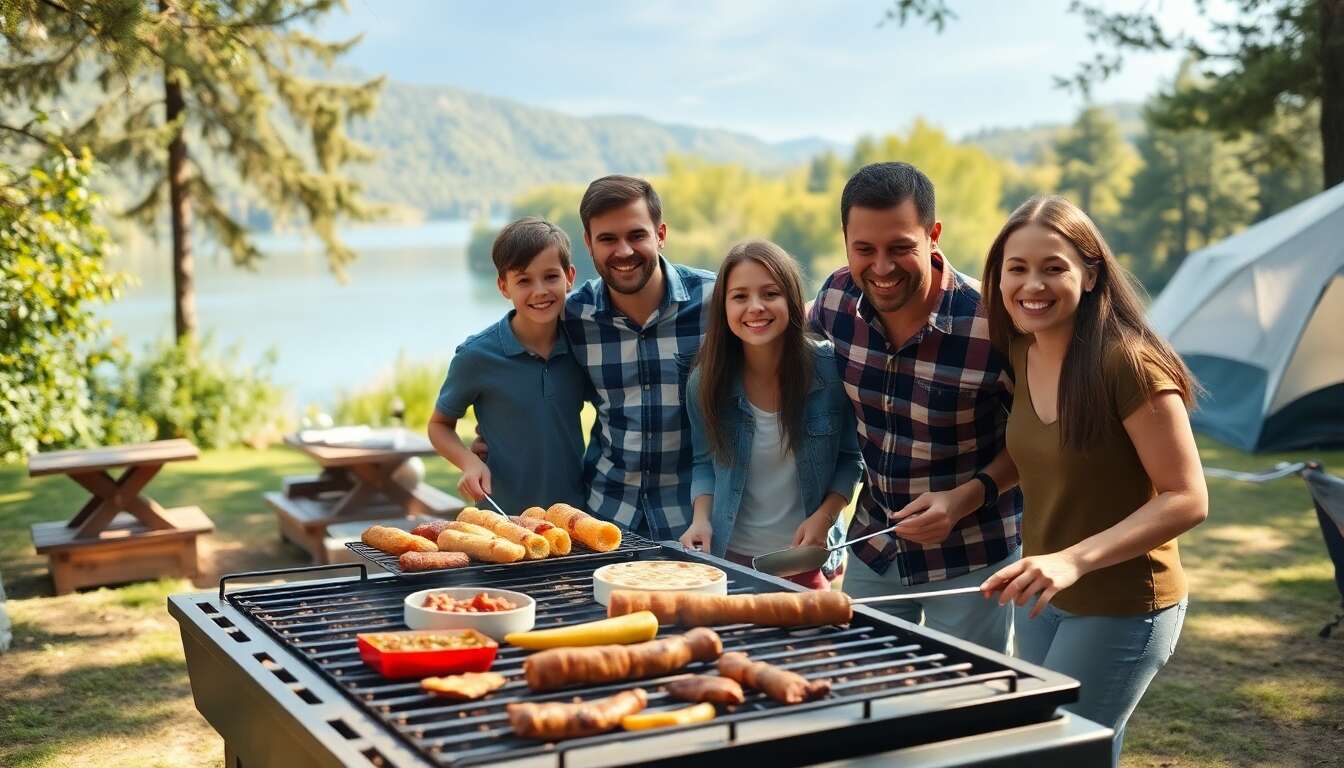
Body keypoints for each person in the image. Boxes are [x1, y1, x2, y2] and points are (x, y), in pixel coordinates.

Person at [977, 195, 1207, 766]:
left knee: (1052, 751)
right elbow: (1046, 457)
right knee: (1081, 749)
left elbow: (1187, 496)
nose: (1033, 284)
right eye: (1017, 268)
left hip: (1123, 603)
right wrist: (969, 494)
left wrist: (1073, 559)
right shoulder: (1021, 350)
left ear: (1090, 273)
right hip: (1043, 599)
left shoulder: (1128, 361)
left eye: (1054, 267)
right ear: (998, 276)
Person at [809, 162, 1021, 652]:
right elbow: (785, 342)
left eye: (900, 248)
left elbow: (1037, 442)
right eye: (864, 249)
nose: (881, 268)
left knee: (967, 703)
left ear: (933, 235)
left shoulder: (994, 323)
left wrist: (963, 498)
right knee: (860, 685)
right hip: (874, 545)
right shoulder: (837, 297)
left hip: (975, 555)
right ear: (845, 239)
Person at [678, 240, 862, 588]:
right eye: (740, 297)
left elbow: (851, 460)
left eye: (770, 293)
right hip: (729, 561)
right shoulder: (706, 380)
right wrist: (700, 520)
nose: (756, 307)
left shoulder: (828, 369)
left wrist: (825, 518)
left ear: (791, 299)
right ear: (724, 307)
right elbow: (704, 461)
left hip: (804, 558)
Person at [563, 175, 716, 540]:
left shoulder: (718, 301)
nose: (624, 251)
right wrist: (493, 431)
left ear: (660, 234)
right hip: (605, 518)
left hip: (697, 522)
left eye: (636, 235)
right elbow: (525, 369)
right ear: (588, 243)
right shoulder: (573, 317)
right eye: (607, 239)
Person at [427, 217, 589, 516]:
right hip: (502, 516)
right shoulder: (476, 356)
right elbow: (439, 426)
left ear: (570, 277)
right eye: (524, 280)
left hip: (573, 513)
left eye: (551, 277)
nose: (539, 291)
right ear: (504, 286)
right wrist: (469, 462)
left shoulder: (582, 347)